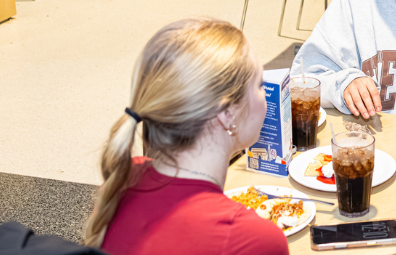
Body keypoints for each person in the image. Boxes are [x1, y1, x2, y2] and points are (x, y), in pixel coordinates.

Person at [84, 19, 288, 255]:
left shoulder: (122, 180)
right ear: (226, 113)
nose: (265, 95)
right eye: (260, 84)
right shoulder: (252, 239)